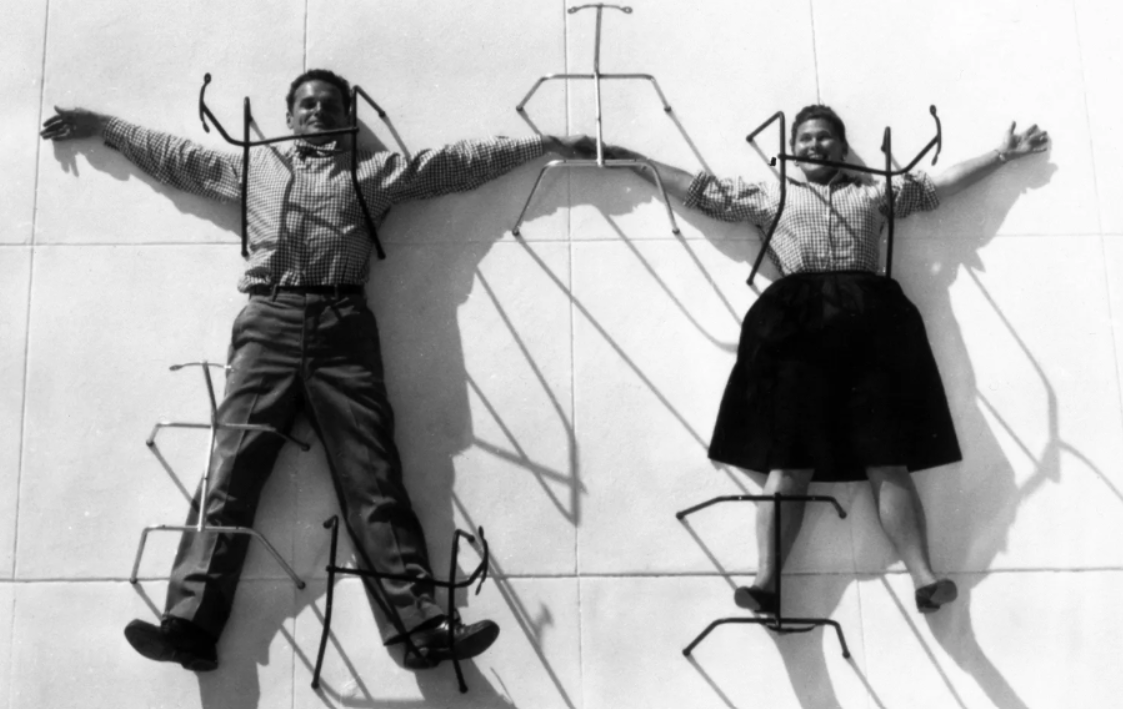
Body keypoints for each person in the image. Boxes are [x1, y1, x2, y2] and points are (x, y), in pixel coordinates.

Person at [40, 68, 593, 672]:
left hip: (343, 327)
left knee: (373, 479)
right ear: (289, 116)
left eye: (330, 105)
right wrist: (105, 126)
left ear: (347, 116)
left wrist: (544, 144)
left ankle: (420, 630)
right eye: (306, 104)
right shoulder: (256, 169)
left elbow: (455, 165)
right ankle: (189, 627)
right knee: (230, 469)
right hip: (268, 324)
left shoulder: (372, 175)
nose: (318, 112)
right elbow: (180, 160)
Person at [603, 105, 1049, 615]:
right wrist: (633, 158)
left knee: (888, 458)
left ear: (841, 147)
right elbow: (699, 191)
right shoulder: (771, 196)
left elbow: (938, 186)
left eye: (824, 137)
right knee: (790, 462)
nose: (814, 145)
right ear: (794, 150)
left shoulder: (873, 195)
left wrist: (1001, 157)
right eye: (805, 139)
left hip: (870, 325)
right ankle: (766, 582)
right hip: (797, 327)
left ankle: (925, 577)